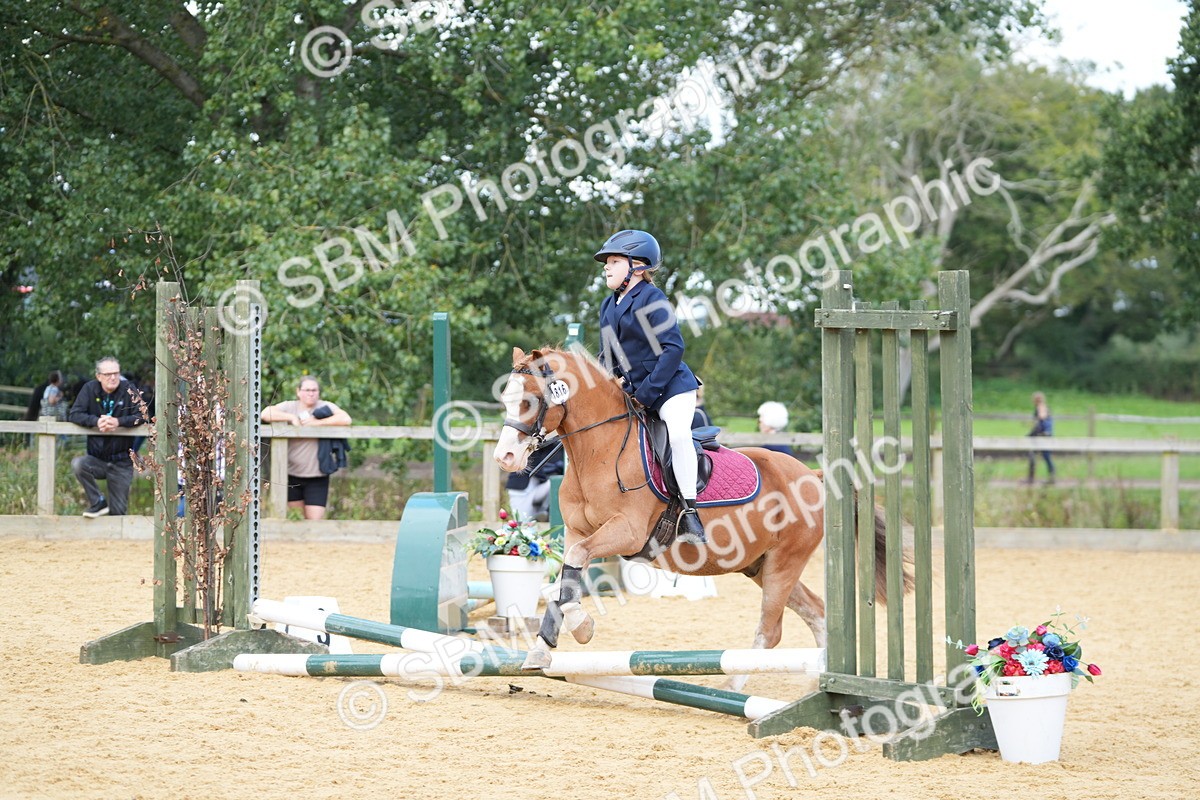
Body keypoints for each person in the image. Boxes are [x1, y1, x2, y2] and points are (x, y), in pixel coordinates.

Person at [596, 229, 705, 545]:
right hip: (633, 390)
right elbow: (609, 354)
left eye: (614, 261)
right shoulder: (608, 304)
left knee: (680, 434)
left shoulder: (653, 299)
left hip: (670, 388)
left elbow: (673, 349)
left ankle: (690, 510)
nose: (606, 267)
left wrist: (645, 394)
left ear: (637, 267)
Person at [260, 376, 352, 520]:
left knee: (314, 521)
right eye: (307, 390)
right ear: (298, 391)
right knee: (296, 519)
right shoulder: (290, 406)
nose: (311, 393)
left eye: (314, 390)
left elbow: (346, 419)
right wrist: (291, 418)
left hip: (317, 475)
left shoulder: (325, 406)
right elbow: (265, 414)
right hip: (291, 473)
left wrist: (317, 423)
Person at [68, 357, 146, 518]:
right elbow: (75, 414)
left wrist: (118, 422)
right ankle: (98, 502)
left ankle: (114, 540)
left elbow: (143, 415)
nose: (113, 377)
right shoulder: (89, 389)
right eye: (108, 374)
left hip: (122, 461)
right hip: (96, 459)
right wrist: (96, 421)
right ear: (99, 376)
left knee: (118, 514)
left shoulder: (129, 389)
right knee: (79, 464)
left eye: (116, 373)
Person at [506, 441, 565, 521]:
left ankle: (544, 511)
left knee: (556, 482)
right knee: (522, 522)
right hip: (520, 490)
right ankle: (539, 514)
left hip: (538, 487)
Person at [1027, 391, 1055, 484]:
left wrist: (1032, 433)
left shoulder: (1041, 407)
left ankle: (1031, 478)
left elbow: (1041, 418)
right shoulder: (1044, 407)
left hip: (1042, 435)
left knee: (1034, 454)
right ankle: (1051, 477)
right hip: (1046, 434)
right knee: (1046, 456)